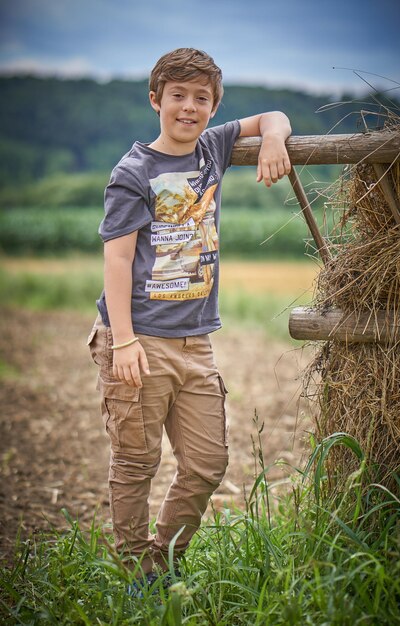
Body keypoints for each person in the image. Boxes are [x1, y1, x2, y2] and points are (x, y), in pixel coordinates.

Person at [87, 47, 291, 589]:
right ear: (156, 100)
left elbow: (274, 117)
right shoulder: (133, 172)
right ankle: (136, 575)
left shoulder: (212, 150)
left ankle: (161, 558)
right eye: (177, 95)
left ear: (212, 107)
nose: (189, 107)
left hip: (196, 342)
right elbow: (118, 258)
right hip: (139, 340)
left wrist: (272, 138)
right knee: (136, 462)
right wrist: (125, 341)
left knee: (207, 463)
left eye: (202, 98)